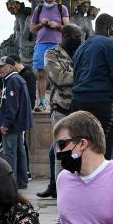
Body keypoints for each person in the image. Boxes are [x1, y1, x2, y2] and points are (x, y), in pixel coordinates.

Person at [70, 13, 113, 159]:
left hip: (77, 103)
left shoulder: (82, 47)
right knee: (101, 153)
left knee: (80, 151)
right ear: (110, 29)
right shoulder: (110, 44)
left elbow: (75, 76)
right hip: (100, 103)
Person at [37, 23, 81, 199]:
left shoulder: (80, 52)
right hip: (62, 107)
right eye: (76, 37)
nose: (79, 40)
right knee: (61, 152)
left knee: (74, 149)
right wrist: (85, 74)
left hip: (79, 107)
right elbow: (59, 77)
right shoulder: (52, 54)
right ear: (66, 37)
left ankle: (61, 187)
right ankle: (62, 193)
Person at [29, 0, 70, 111]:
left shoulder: (61, 8)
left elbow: (68, 28)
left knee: (56, 74)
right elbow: (32, 29)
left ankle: (55, 102)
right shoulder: (39, 9)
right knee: (41, 74)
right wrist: (41, 24)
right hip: (41, 44)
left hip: (56, 45)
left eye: (50, 0)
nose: (48, 1)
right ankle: (42, 103)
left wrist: (57, 25)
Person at [0, 56, 32, 189]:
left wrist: (5, 124)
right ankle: (22, 181)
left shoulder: (12, 80)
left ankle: (12, 184)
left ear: (10, 67)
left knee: (10, 153)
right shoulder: (17, 79)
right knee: (19, 151)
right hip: (19, 123)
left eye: (2, 66)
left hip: (13, 124)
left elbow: (12, 106)